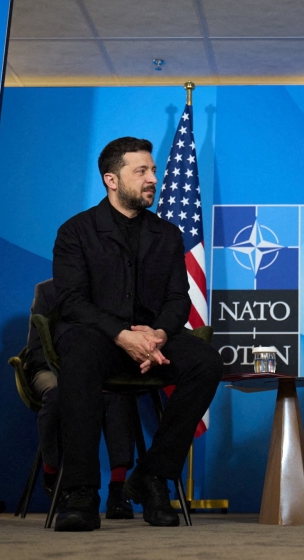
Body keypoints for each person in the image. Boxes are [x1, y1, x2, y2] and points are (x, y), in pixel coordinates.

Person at [52, 137, 222, 532]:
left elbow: (179, 299)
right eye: (141, 171)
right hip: (98, 338)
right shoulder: (76, 231)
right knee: (77, 351)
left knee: (206, 362)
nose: (153, 179)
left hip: (152, 339)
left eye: (154, 170)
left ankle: (152, 476)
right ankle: (80, 491)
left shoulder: (167, 234)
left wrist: (159, 335)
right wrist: (121, 335)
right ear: (111, 179)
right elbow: (73, 302)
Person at [22, 279, 136, 520]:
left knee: (119, 396)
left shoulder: (109, 291)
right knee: (58, 395)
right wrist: (74, 375)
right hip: (50, 370)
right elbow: (36, 348)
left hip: (97, 373)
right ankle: (52, 472)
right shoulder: (47, 290)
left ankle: (118, 489)